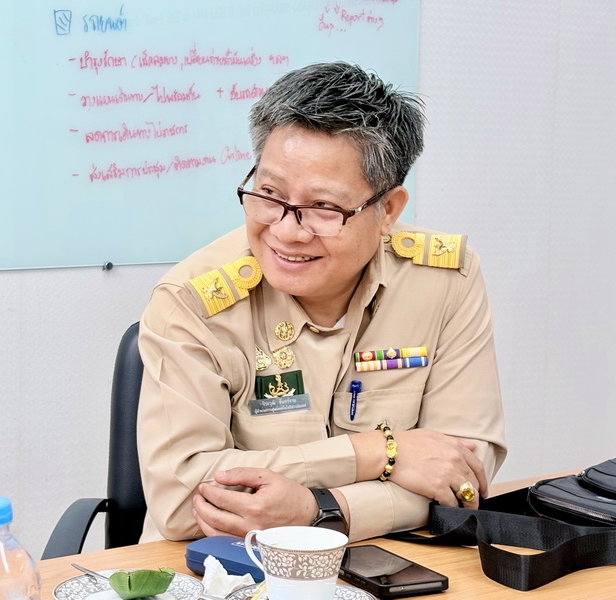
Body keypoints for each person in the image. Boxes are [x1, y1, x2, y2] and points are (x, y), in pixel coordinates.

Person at [136, 61, 506, 544]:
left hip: (390, 562)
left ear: (388, 210)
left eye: (324, 207)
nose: (287, 231)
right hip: (222, 568)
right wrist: (379, 453)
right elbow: (182, 500)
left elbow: (463, 472)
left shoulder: (444, 280)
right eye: (269, 193)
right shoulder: (191, 302)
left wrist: (321, 510)